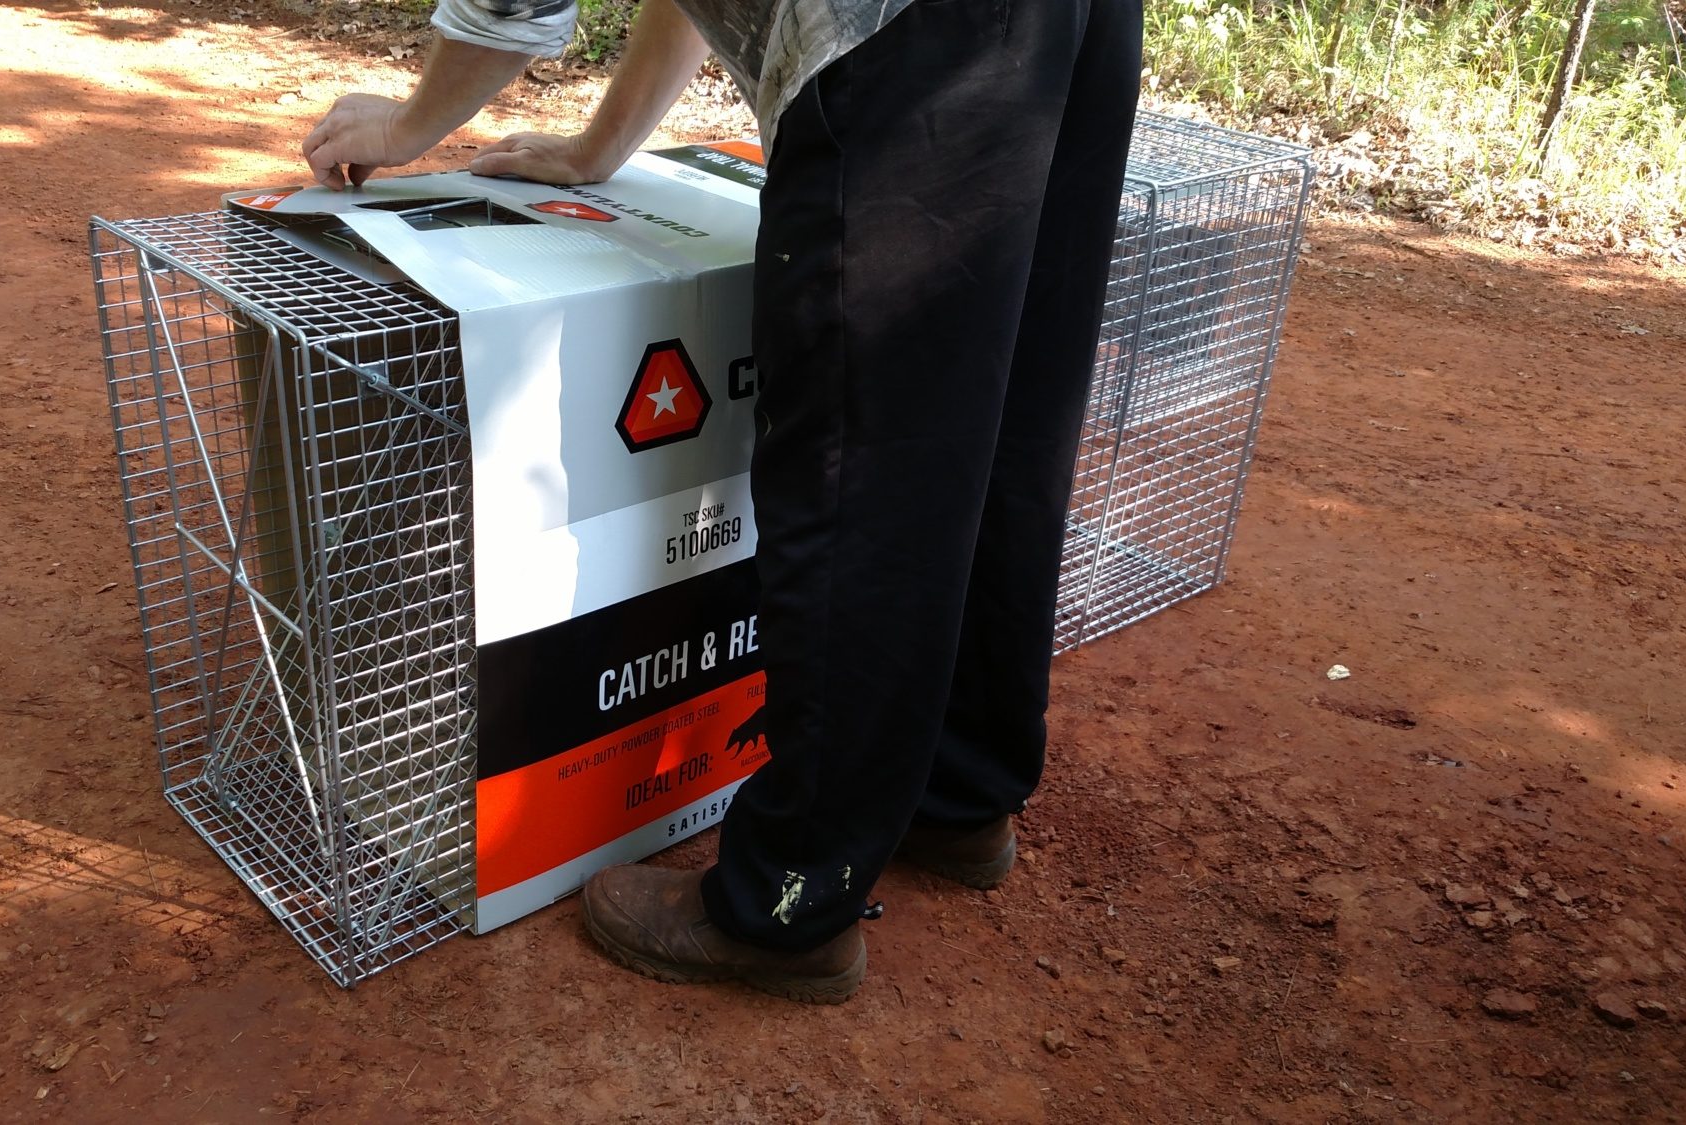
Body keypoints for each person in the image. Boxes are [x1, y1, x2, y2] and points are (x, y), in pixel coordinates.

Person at [301, 0, 1143, 1004]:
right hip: (1066, 28)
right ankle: (958, 793)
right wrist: (595, 148)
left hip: (900, 37)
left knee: (859, 455)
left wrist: (405, 125)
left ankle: (791, 903)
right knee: (1003, 408)